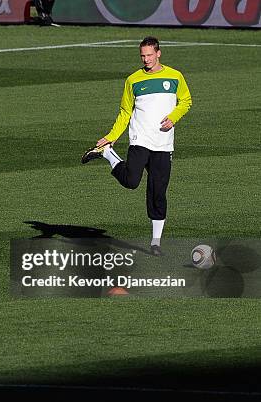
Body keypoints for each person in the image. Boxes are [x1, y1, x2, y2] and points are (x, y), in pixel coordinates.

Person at [81, 36, 192, 256]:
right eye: (143, 55)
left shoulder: (175, 76)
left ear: (158, 53)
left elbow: (186, 101)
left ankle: (155, 242)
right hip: (140, 139)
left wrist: (174, 117)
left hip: (163, 144)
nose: (146, 59)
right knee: (131, 181)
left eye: (150, 55)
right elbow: (125, 112)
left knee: (158, 193)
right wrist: (111, 136)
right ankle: (109, 154)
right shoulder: (133, 80)